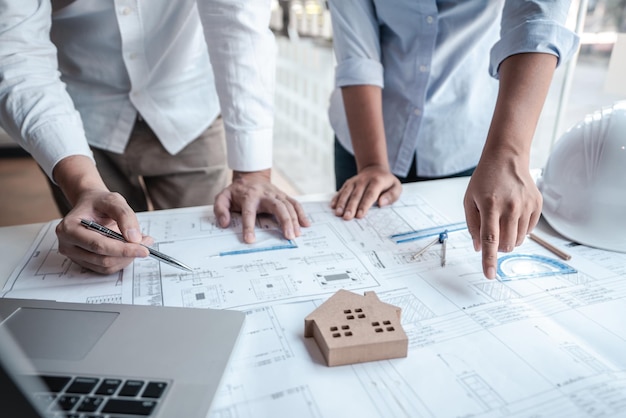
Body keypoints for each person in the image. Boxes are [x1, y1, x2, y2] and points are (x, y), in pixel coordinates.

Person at [0, 0, 310, 274]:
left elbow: (239, 23)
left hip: (190, 106)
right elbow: (15, 53)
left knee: (208, 240)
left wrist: (252, 173)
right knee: (103, 252)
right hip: (74, 119)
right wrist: (84, 186)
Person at [326, 0, 579, 279]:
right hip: (364, 133)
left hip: (466, 140)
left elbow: (537, 19)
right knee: (359, 260)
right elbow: (358, 55)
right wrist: (372, 164)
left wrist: (510, 153)